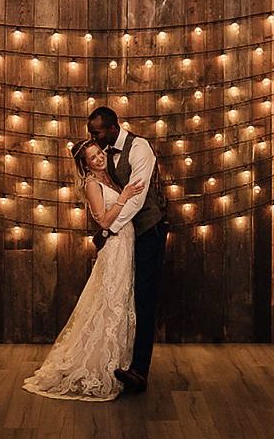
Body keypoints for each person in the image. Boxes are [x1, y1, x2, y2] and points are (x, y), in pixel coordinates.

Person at [22, 139, 145, 401]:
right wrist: (123, 199)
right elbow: (102, 220)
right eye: (92, 157)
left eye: (99, 153)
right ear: (85, 164)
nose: (99, 158)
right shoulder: (92, 183)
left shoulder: (111, 176)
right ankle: (98, 367)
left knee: (123, 302)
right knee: (110, 301)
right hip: (115, 245)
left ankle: (118, 364)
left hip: (127, 243)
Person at [87, 106, 169, 394]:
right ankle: (119, 360)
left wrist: (108, 229)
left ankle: (139, 371)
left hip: (149, 229)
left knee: (144, 297)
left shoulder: (140, 148)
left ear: (112, 127)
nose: (92, 137)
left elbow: (136, 199)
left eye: (95, 131)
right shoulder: (105, 152)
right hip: (125, 235)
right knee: (124, 294)